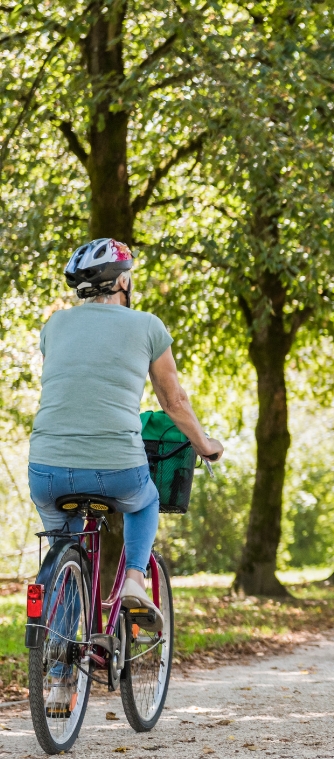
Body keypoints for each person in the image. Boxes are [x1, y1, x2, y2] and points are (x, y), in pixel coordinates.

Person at [30, 239, 224, 711]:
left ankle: (58, 681)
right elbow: (173, 402)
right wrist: (206, 447)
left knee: (63, 548)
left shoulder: (54, 326)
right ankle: (135, 578)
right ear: (121, 281)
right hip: (117, 466)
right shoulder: (148, 326)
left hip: (46, 468)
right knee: (146, 499)